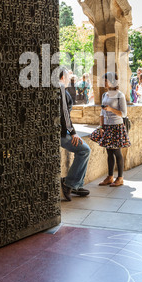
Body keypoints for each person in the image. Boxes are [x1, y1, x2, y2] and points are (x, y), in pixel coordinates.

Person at [90, 72, 130, 187]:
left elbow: (123, 113)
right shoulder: (104, 95)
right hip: (107, 126)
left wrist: (111, 109)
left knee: (117, 151)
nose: (103, 83)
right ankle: (110, 177)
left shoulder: (119, 95)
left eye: (105, 81)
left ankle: (120, 178)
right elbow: (102, 112)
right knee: (109, 152)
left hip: (117, 126)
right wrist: (101, 126)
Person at [59, 68, 91, 201]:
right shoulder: (60, 89)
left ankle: (76, 184)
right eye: (67, 76)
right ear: (61, 78)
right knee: (84, 150)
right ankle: (70, 183)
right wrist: (73, 133)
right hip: (60, 133)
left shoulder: (63, 90)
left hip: (63, 130)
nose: (69, 79)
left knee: (84, 150)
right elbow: (64, 114)